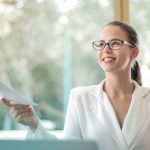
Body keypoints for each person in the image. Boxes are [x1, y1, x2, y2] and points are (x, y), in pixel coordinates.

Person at [2, 20, 150, 150]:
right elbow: (67, 149)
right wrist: (34, 124)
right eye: (101, 44)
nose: (106, 49)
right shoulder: (80, 98)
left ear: (134, 52)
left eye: (115, 43)